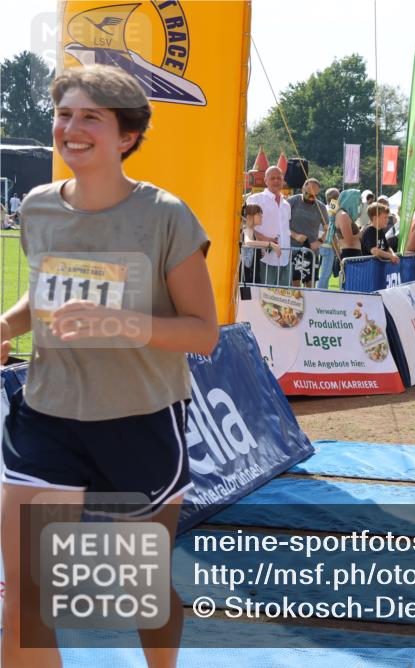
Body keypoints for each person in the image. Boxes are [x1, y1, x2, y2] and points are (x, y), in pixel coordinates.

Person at [1, 63, 218, 668]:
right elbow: (42, 297)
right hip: (46, 415)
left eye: (90, 117)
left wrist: (123, 324)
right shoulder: (39, 207)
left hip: (138, 420)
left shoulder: (165, 216)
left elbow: (204, 334)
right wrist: (5, 325)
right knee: (24, 599)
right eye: (64, 114)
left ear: (127, 136)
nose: (71, 128)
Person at [245, 165, 291, 285]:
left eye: (279, 178)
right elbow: (248, 226)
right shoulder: (255, 199)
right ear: (265, 181)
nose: (276, 181)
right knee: (264, 298)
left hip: (285, 258)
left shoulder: (286, 204)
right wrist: (264, 240)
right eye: (272, 178)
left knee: (284, 297)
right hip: (264, 258)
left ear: (283, 180)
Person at [287, 178, 326, 287]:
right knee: (294, 284)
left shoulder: (321, 207)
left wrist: (319, 241)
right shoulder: (292, 201)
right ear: (302, 189)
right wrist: (295, 235)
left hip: (311, 252)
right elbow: (281, 224)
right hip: (292, 250)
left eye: (315, 195)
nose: (311, 198)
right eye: (308, 194)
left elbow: (330, 229)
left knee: (310, 285)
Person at [240, 203, 280, 283]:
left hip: (252, 274)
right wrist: (270, 244)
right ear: (250, 216)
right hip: (247, 276)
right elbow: (248, 242)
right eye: (258, 214)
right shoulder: (247, 229)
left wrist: (259, 252)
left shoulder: (252, 231)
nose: (261, 216)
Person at [334, 188, 363, 274]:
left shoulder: (344, 214)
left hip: (352, 254)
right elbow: (349, 240)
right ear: (351, 200)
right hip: (350, 254)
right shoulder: (343, 215)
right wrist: (361, 233)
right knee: (350, 285)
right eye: (358, 200)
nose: (359, 203)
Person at [317, 187, 341, 289]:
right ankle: (321, 295)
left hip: (319, 242)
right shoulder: (333, 208)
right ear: (337, 197)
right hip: (328, 244)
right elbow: (332, 228)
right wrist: (336, 248)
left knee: (322, 273)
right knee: (325, 274)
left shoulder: (324, 207)